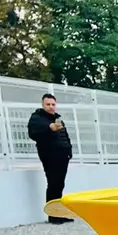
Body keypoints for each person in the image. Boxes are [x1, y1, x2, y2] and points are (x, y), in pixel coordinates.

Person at [27, 93, 74, 224]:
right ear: (43, 105)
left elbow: (65, 136)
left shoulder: (58, 119)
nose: (51, 107)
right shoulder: (37, 118)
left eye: (53, 104)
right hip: (50, 156)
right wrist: (49, 128)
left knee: (59, 185)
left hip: (63, 156)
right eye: (48, 104)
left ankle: (59, 214)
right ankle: (53, 216)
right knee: (53, 184)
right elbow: (33, 133)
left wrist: (69, 151)